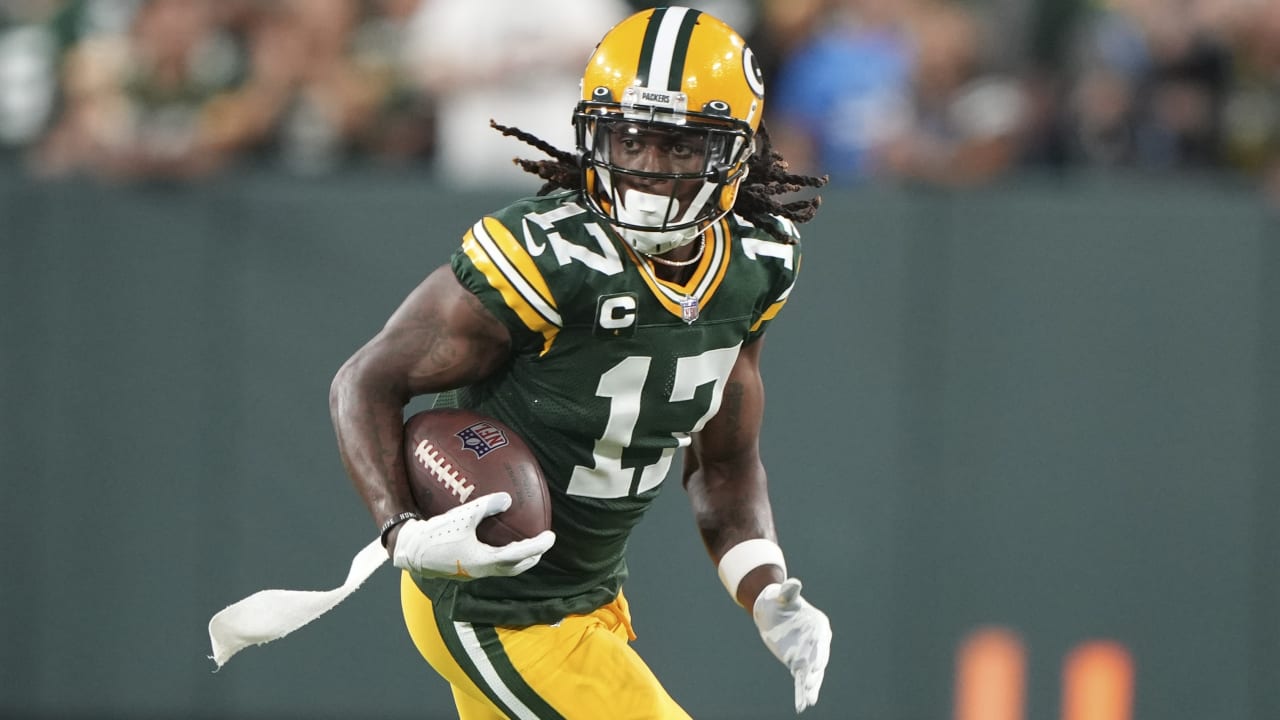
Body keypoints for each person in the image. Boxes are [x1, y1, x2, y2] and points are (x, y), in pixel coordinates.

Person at [329, 7, 832, 718]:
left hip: (587, 603)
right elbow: (367, 380)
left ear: (737, 153)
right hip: (496, 610)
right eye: (629, 139)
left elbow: (722, 466)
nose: (651, 171)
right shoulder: (545, 256)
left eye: (680, 147)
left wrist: (767, 591)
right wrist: (400, 530)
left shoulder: (759, 260)